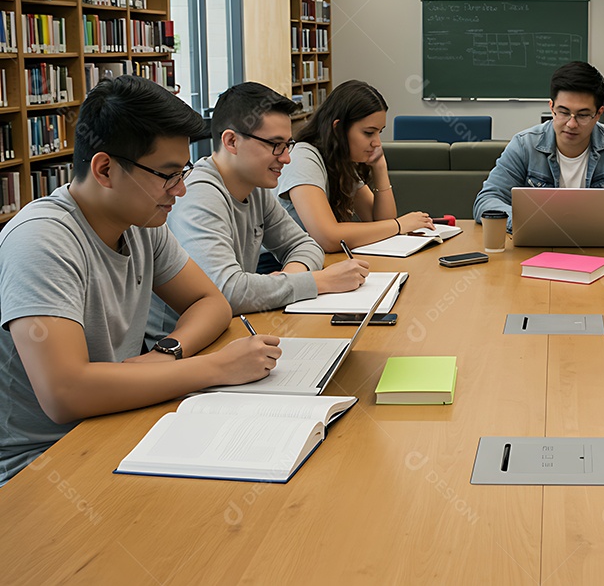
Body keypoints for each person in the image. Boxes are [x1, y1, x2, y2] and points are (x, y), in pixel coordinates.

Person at [0, 76, 282, 486]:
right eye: (168, 174)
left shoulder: (141, 223)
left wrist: (167, 353)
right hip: (41, 462)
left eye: (183, 172)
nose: (180, 190)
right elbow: (65, 393)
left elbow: (211, 303)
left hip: (116, 422)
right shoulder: (40, 241)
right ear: (105, 169)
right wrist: (216, 367)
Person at [146, 82, 369, 345]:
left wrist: (290, 278)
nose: (286, 158)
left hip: (231, 328)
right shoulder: (198, 193)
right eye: (275, 145)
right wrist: (318, 281)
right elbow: (226, 291)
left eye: (287, 145)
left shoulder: (255, 188)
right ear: (231, 141)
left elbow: (304, 244)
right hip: (181, 344)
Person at [473, 61, 604, 231]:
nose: (571, 124)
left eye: (583, 115)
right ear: (551, 107)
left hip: (602, 245)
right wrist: (530, 222)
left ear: (598, 114)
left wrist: (602, 224)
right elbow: (487, 200)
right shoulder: (524, 145)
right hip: (539, 245)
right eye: (563, 112)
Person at [276, 79, 434, 251]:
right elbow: (328, 238)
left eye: (379, 132)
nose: (377, 143)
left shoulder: (339, 161)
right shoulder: (303, 158)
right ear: (338, 129)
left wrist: (380, 167)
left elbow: (381, 223)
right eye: (369, 133)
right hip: (276, 263)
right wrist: (399, 225)